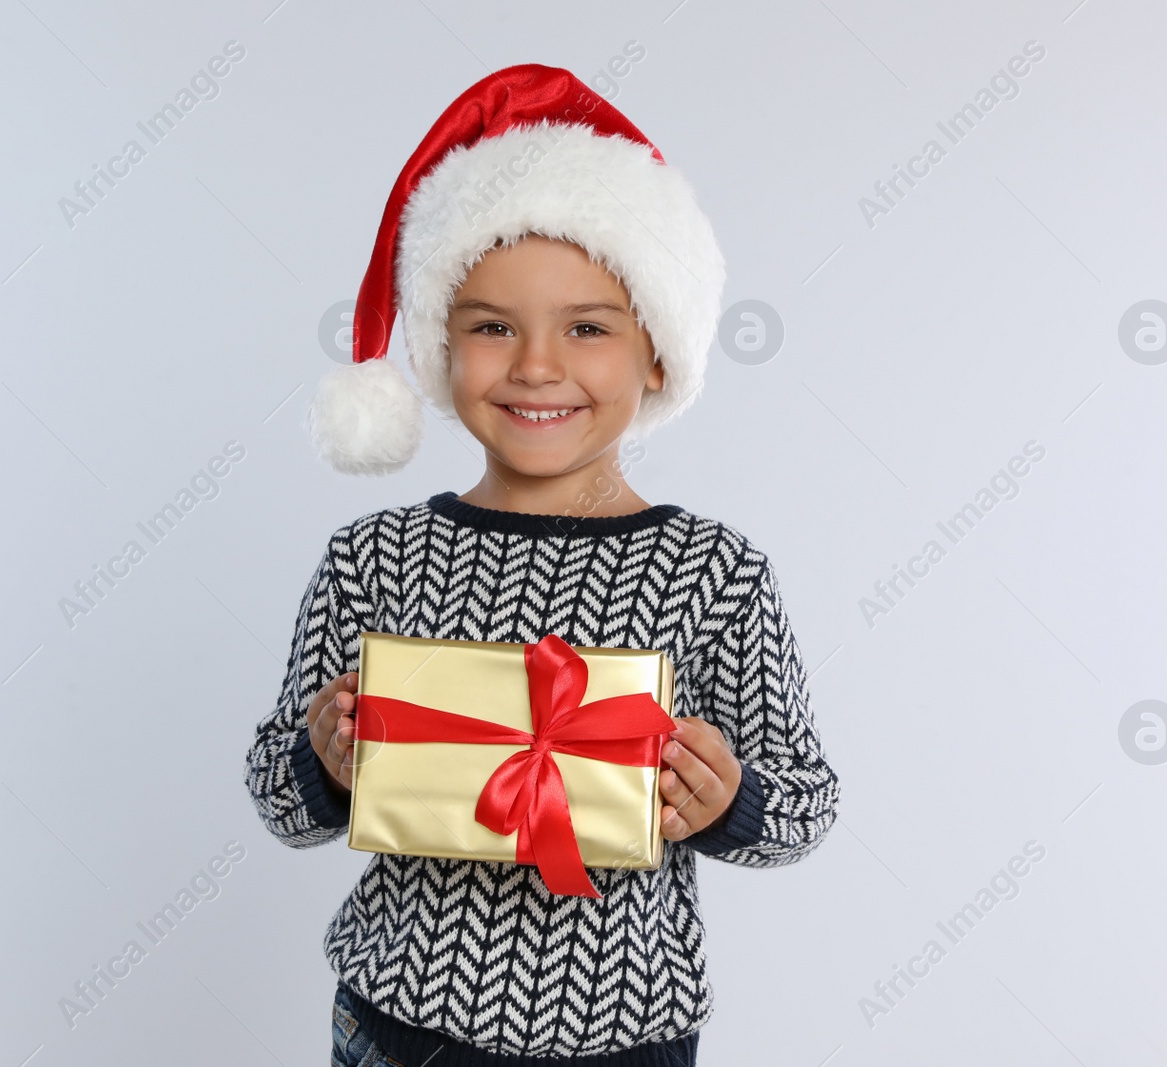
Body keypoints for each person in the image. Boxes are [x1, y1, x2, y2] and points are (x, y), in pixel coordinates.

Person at [245, 63, 840, 1066]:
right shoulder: (374, 556)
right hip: (400, 1029)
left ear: (657, 353)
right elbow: (273, 790)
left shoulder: (714, 572)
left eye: (587, 327)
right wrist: (325, 759)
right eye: (491, 326)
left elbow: (805, 803)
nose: (534, 365)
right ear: (441, 346)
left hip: (625, 1039)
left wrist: (726, 797)